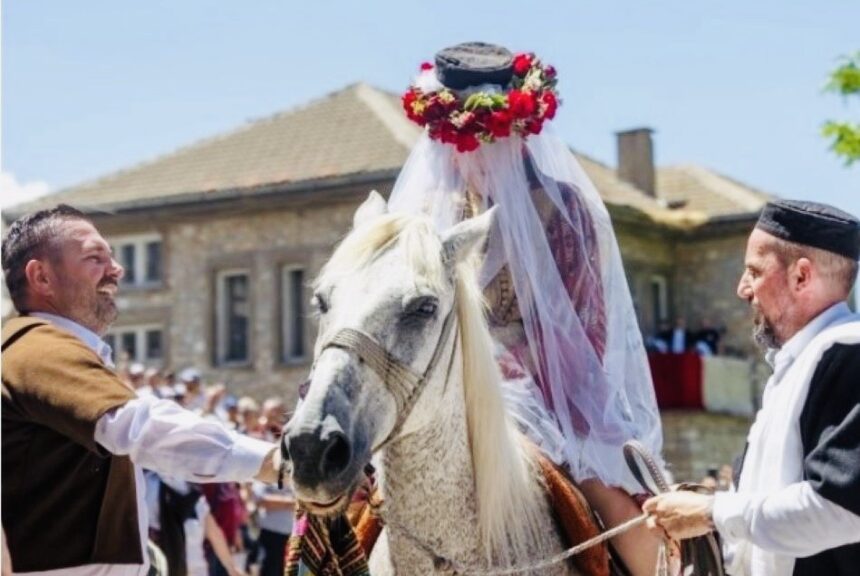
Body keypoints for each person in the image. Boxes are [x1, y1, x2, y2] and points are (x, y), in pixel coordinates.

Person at [391, 42, 664, 575]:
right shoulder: (422, 216)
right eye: (456, 145)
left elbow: (586, 327)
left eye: (482, 143)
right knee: (347, 498)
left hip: (542, 393)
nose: (466, 157)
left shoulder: (563, 208)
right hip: (436, 388)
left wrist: (503, 366)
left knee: (606, 497)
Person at [1, 205, 281, 575]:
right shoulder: (37, 349)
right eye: (95, 258)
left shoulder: (37, 349)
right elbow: (142, 427)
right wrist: (276, 463)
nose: (117, 269)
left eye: (112, 256)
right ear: (41, 277)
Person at [644, 200, 860, 575]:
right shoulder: (797, 366)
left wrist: (710, 512)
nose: (742, 289)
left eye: (754, 271)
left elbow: (841, 509)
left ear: (801, 277)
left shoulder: (849, 353)